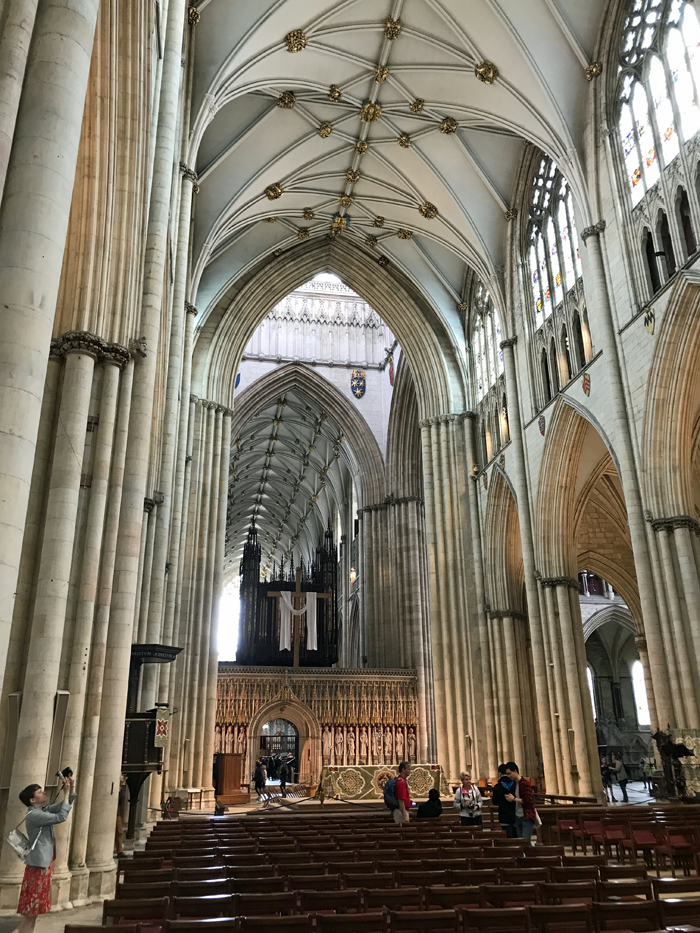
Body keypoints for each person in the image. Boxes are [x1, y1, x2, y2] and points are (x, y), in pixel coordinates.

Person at [15, 774, 76, 933]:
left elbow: (65, 805)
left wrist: (71, 788)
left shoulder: (42, 810)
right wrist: (67, 793)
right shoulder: (35, 815)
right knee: (30, 910)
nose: (43, 793)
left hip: (42, 864)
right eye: (39, 792)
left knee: (33, 912)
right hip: (38, 866)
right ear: (32, 800)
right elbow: (62, 816)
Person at [504, 761, 536, 840]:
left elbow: (529, 800)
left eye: (509, 773)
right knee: (520, 842)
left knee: (525, 841)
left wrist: (514, 799)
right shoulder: (515, 784)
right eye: (507, 774)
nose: (508, 776)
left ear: (515, 771)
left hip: (526, 816)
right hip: (518, 816)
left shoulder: (525, 783)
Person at [490, 764, 517, 837]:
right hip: (515, 814)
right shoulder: (515, 784)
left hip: (504, 815)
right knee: (517, 836)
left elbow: (495, 802)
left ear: (499, 773)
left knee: (508, 837)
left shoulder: (497, 787)